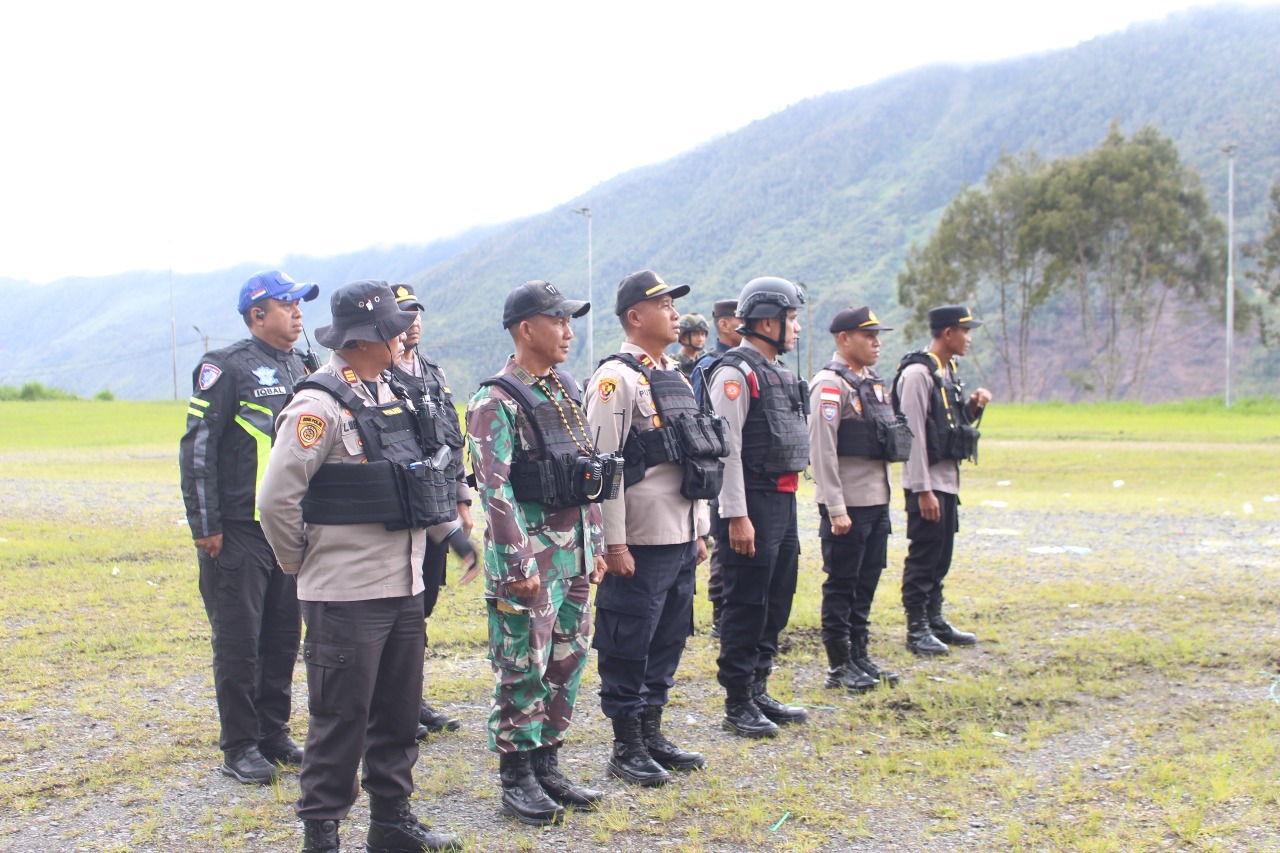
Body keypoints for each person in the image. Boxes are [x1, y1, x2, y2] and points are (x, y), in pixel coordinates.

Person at [258, 280, 471, 853]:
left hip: (403, 584)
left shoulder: (392, 396)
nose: (403, 337)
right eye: (392, 329)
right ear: (363, 338)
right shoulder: (317, 406)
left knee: (398, 713)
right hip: (345, 594)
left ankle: (391, 822)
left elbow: (415, 484)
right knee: (340, 718)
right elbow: (276, 499)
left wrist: (452, 537)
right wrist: (299, 562)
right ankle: (322, 833)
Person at [466, 280, 612, 826]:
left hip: (573, 556)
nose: (569, 331)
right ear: (527, 329)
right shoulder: (494, 401)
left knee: (567, 660)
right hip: (529, 560)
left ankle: (548, 764)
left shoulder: (565, 389)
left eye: (570, 321)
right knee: (523, 664)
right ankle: (517, 775)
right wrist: (517, 565)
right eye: (559, 321)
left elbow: (586, 474)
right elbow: (495, 489)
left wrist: (596, 544)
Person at [179, 269, 318, 785]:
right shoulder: (224, 368)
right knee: (240, 641)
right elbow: (197, 449)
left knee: (283, 636)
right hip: (237, 529)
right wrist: (206, 525)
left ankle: (272, 732)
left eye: (300, 304)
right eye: (287, 304)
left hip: (287, 528)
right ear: (258, 314)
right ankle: (239, 745)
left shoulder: (304, 365)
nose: (298, 313)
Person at [584, 270, 719, 787]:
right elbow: (604, 468)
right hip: (639, 538)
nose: (675, 313)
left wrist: (700, 529)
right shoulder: (615, 379)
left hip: (679, 535)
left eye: (673, 304)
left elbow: (694, 454)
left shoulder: (676, 377)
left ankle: (652, 731)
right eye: (663, 304)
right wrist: (613, 541)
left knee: (668, 637)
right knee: (628, 639)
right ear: (635, 316)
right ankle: (627, 745)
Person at [707, 277, 809, 738]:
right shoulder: (735, 374)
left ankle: (759, 686)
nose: (797, 328)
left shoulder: (778, 372)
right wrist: (736, 515)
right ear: (768, 321)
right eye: (792, 319)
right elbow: (726, 451)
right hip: (752, 500)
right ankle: (737, 699)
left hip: (782, 499)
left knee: (778, 595)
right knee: (747, 600)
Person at [808, 306, 909, 692]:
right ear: (844, 339)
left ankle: (859, 655)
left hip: (875, 501)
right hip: (848, 505)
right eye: (868, 336)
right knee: (842, 585)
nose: (876, 343)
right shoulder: (830, 385)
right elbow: (822, 450)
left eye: (878, 335)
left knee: (866, 582)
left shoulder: (871, 383)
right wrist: (836, 507)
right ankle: (839, 665)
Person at [391, 283, 471, 738]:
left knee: (422, 605)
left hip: (439, 503)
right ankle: (396, 703)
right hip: (404, 505)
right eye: (404, 313)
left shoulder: (433, 373)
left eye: (417, 312)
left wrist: (461, 497)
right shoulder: (378, 375)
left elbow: (452, 437)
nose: (414, 322)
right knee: (400, 608)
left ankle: (411, 698)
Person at [891, 304, 993, 656]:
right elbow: (914, 434)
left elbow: (946, 425)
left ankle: (934, 620)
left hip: (946, 480)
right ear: (948, 333)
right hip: (928, 483)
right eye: (965, 331)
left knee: (941, 554)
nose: (969, 339)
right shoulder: (917, 374)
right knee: (924, 555)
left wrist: (973, 407)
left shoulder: (946, 370)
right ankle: (916, 628)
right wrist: (922, 489)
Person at [690, 298, 740, 638]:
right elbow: (696, 419)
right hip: (718, 465)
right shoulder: (709, 366)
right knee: (723, 541)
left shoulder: (749, 363)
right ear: (724, 323)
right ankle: (721, 612)